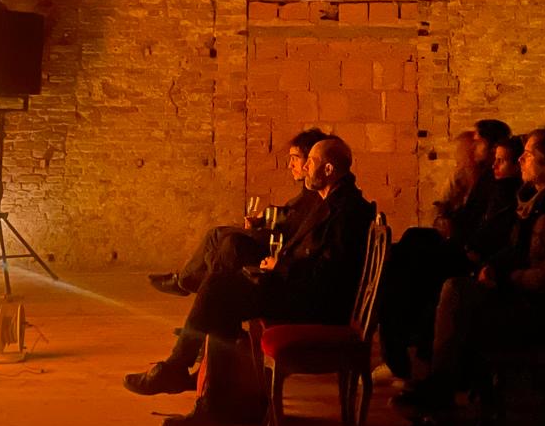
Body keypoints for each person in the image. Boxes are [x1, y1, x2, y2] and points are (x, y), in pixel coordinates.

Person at [388, 127, 545, 426]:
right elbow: (515, 249)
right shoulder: (533, 203)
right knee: (447, 297)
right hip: (519, 298)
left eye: (529, 155)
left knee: (455, 301)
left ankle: (435, 404)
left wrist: (506, 277)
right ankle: (434, 407)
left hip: (541, 313)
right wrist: (493, 267)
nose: (521, 160)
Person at [123, 137, 375, 404]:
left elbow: (330, 273)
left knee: (219, 289)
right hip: (302, 291)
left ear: (328, 169)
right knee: (222, 283)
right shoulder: (333, 201)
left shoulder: (346, 211)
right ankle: (216, 394)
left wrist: (280, 266)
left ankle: (194, 379)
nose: (304, 168)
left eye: (310, 162)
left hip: (315, 306)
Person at [378, 135, 523, 382]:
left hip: (475, 257)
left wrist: (467, 245)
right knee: (411, 241)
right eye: (495, 159)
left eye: (502, 160)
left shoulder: (510, 194)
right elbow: (466, 214)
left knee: (410, 270)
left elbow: (498, 234)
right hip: (466, 245)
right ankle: (399, 347)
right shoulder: (489, 183)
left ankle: (405, 354)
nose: (495, 165)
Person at [148, 128, 328, 296]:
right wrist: (266, 216)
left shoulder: (320, 193)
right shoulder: (309, 190)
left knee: (217, 236)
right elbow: (292, 212)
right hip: (275, 239)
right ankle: (197, 285)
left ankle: (185, 281)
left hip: (279, 245)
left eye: (295, 158)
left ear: (311, 161)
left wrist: (266, 222)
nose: (291, 165)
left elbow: (295, 225)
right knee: (222, 247)